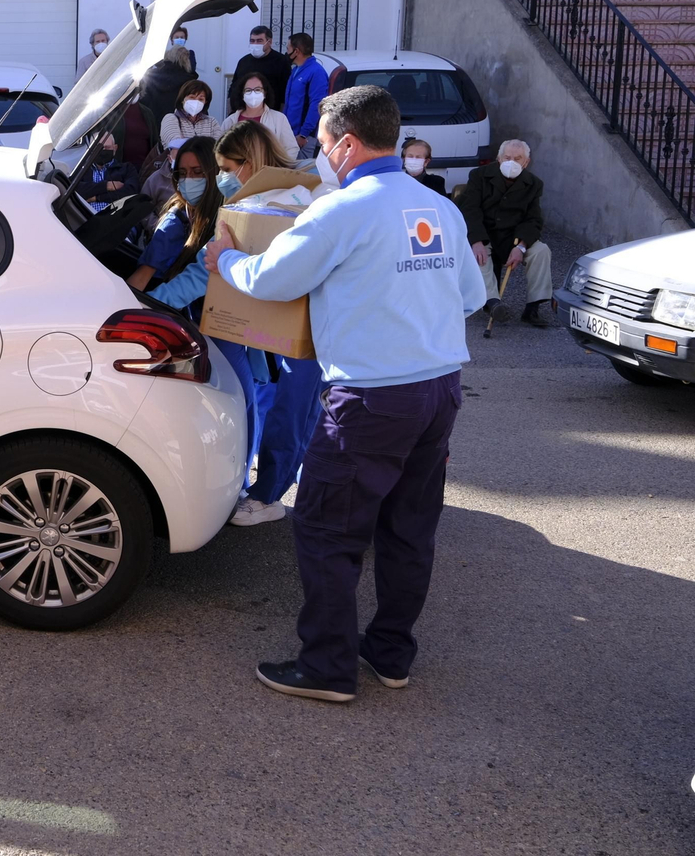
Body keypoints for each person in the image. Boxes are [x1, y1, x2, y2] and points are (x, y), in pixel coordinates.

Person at [203, 84, 487, 702]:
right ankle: (390, 656)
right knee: (408, 530)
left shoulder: (343, 210)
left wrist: (222, 258)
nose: (321, 156)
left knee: (328, 529)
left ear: (349, 144)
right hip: (439, 391)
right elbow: (472, 296)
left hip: (369, 398)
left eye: (325, 145)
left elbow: (271, 280)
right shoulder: (438, 207)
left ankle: (327, 667)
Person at [128, 137, 267, 490]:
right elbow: (146, 271)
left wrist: (143, 310)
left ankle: (241, 487)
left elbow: (193, 281)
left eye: (199, 172)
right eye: (182, 173)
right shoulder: (177, 217)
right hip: (190, 324)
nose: (189, 181)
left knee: (240, 404)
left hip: (224, 327)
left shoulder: (229, 217)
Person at [212, 121, 319, 530]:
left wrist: (223, 260)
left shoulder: (291, 200)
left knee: (295, 408)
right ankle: (286, 486)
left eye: (228, 167)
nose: (223, 176)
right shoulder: (274, 197)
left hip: (302, 321)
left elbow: (272, 275)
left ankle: (269, 494)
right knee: (296, 406)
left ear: (249, 163)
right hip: (282, 319)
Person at [460, 139, 552, 327]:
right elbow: (470, 209)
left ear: (526, 162)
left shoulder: (534, 184)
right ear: (499, 158)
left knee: (541, 251)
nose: (512, 162)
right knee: (479, 256)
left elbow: (533, 219)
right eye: (507, 157)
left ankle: (533, 307)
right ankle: (493, 303)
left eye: (518, 159)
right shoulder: (479, 175)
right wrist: (476, 240)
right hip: (484, 232)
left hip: (513, 237)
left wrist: (521, 246)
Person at [221, 71, 298, 164]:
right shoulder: (230, 121)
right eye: (248, 90)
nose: (253, 93)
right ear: (242, 94)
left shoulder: (279, 118)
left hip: (269, 174)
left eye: (257, 90)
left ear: (265, 92)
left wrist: (279, 168)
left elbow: (291, 148)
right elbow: (221, 151)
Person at [283, 32, 329, 157]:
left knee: (302, 172)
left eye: (288, 48)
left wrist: (304, 134)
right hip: (292, 134)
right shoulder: (296, 70)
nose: (286, 52)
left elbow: (317, 105)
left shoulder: (316, 72)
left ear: (296, 51)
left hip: (303, 138)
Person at [227, 26, 291, 114]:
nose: (255, 44)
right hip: (243, 111)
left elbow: (286, 90)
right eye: (252, 41)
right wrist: (231, 111)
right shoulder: (244, 61)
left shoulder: (281, 61)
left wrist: (280, 115)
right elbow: (234, 86)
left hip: (270, 112)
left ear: (270, 42)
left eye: (259, 41)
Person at [136, 45, 194, 132]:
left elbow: (143, 101)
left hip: (152, 125)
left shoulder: (152, 76)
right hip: (179, 129)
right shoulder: (189, 82)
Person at [74, 132, 138, 210]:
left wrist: (96, 198)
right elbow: (75, 190)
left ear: (115, 148)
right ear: (90, 150)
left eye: (107, 148)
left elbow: (130, 192)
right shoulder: (81, 170)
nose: (103, 151)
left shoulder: (126, 169)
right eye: (98, 148)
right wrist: (106, 186)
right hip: (84, 217)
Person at [156, 80, 221, 148]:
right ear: (182, 99)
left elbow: (218, 147)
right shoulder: (171, 118)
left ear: (205, 102)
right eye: (192, 97)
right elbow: (174, 144)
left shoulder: (212, 122)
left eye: (200, 99)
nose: (196, 102)